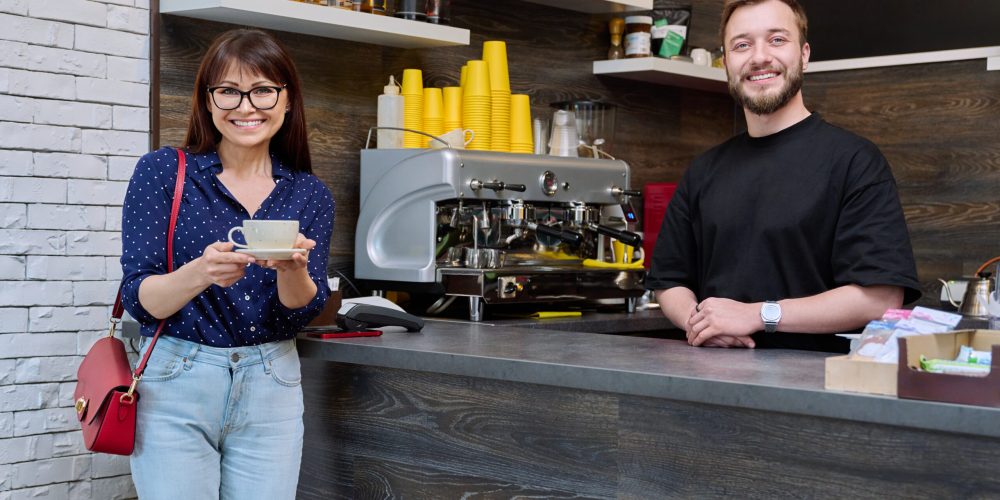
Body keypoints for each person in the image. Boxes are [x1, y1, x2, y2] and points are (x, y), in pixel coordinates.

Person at [119, 29, 334, 498]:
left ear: (287, 99)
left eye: (262, 90)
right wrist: (201, 272)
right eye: (229, 91)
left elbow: (300, 311)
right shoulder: (163, 171)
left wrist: (293, 267)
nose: (246, 106)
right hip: (176, 382)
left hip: (272, 384)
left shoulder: (308, 193)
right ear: (208, 100)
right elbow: (140, 300)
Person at [647, 0, 921, 352]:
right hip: (712, 383)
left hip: (815, 390)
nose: (759, 57)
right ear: (726, 62)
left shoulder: (855, 161)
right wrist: (701, 323)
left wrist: (760, 315)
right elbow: (669, 281)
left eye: (777, 40)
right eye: (742, 45)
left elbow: (880, 296)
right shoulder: (703, 171)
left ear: (804, 54)